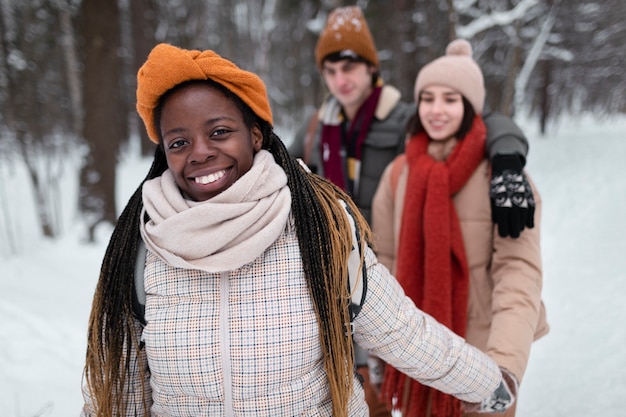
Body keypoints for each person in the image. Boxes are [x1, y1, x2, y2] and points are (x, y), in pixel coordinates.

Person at [79, 42, 516, 417]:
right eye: (179, 142)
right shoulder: (141, 247)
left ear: (255, 135)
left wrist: (487, 382)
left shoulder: (317, 228)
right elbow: (117, 389)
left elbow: (401, 330)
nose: (200, 152)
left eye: (220, 132)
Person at [288, 6, 535, 414]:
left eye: (349, 67)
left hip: (396, 280)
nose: (340, 80)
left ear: (371, 68)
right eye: (330, 70)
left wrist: (508, 157)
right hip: (341, 285)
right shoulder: (317, 127)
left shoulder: (407, 118)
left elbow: (481, 119)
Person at [371, 39, 549, 417]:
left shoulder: (502, 180)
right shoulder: (397, 175)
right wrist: (377, 346)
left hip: (481, 359)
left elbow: (519, 273)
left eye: (450, 99)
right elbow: (383, 266)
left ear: (470, 107)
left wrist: (503, 368)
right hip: (417, 356)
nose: (436, 110)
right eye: (428, 98)